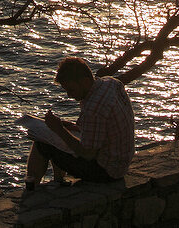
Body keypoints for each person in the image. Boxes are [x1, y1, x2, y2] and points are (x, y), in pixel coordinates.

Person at [24, 56, 135, 191]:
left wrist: (59, 129)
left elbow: (88, 153)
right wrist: (69, 127)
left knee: (42, 143)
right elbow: (103, 127)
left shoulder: (94, 108)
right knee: (59, 133)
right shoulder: (111, 83)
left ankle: (31, 186)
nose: (69, 95)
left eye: (71, 90)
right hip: (121, 161)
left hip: (106, 172)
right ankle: (58, 180)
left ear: (84, 81)